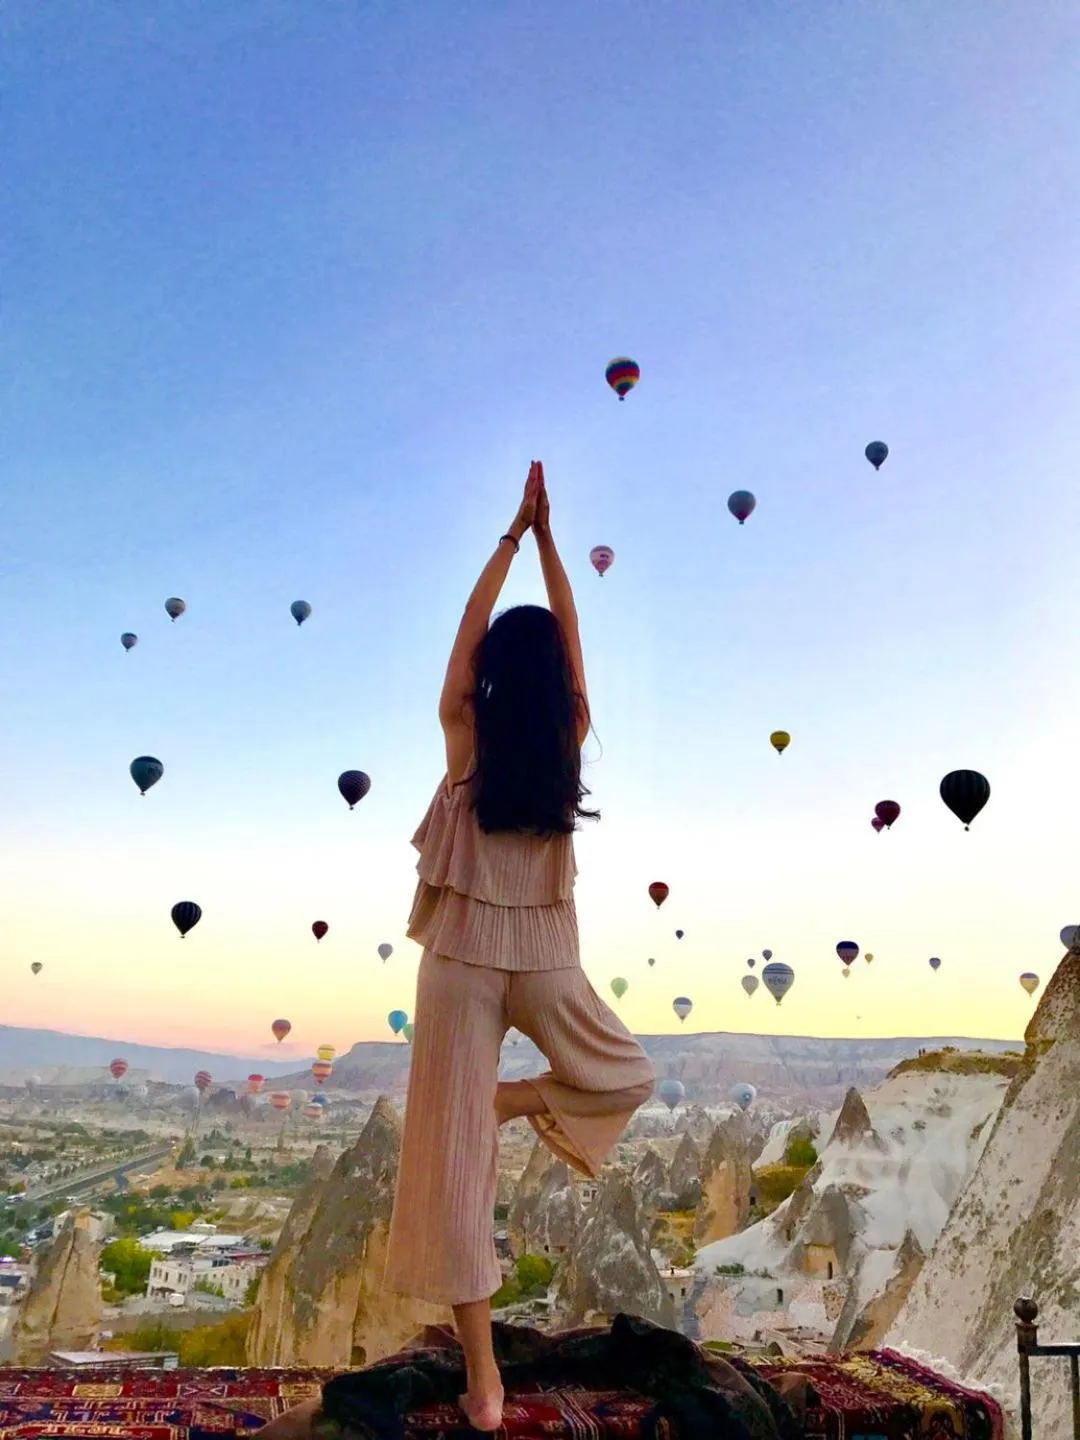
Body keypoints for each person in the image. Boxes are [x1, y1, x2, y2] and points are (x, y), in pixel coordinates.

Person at [383, 460, 656, 1432]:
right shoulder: (566, 735)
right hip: (531, 950)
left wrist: (512, 539)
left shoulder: (466, 738)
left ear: (497, 676)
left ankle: (488, 1375)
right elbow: (573, 656)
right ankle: (483, 1376)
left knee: (462, 1154)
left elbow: (461, 654)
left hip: (463, 953)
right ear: (559, 688)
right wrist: (550, 543)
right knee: (618, 1073)